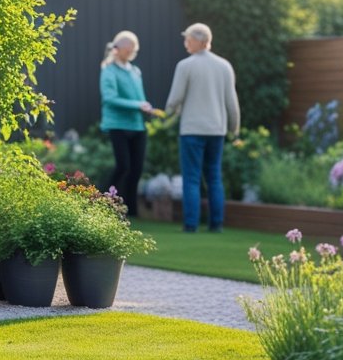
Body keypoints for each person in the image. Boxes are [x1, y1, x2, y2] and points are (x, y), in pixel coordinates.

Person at [164, 22, 240, 233]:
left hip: (191, 130)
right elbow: (231, 102)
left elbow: (175, 99)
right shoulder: (224, 66)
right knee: (214, 177)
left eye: (188, 39)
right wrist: (235, 129)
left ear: (200, 41)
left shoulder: (185, 66)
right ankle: (216, 224)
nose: (186, 43)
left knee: (191, 178)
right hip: (217, 130)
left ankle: (191, 225)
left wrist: (165, 115)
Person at [99, 30, 156, 219]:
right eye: (128, 50)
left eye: (134, 50)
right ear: (118, 49)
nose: (131, 53)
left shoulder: (135, 71)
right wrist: (137, 105)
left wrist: (145, 107)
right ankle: (103, 203)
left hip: (137, 126)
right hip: (118, 125)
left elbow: (139, 97)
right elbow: (109, 98)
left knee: (136, 169)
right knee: (123, 166)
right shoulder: (109, 70)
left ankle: (131, 211)